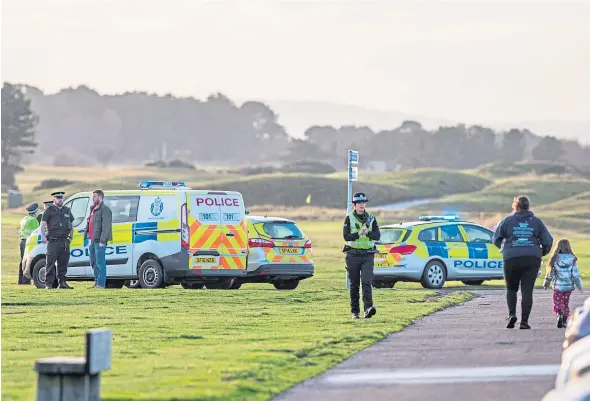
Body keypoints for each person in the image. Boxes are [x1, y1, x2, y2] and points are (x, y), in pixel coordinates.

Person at [493, 195, 553, 329]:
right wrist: (540, 253)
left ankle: (512, 314)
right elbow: (548, 241)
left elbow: (496, 238)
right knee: (527, 291)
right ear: (528, 206)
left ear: (516, 206)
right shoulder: (536, 222)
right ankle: (524, 322)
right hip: (532, 259)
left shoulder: (507, 221)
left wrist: (505, 248)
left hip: (511, 258)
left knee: (511, 289)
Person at [343, 192, 381, 319]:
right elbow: (346, 236)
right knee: (354, 284)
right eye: (359, 203)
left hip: (367, 255)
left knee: (366, 282)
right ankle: (355, 312)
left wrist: (368, 232)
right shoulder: (349, 218)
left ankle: (368, 308)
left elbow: (377, 236)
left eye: (364, 202)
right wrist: (358, 234)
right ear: (354, 205)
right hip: (352, 255)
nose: (362, 204)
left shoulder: (372, 218)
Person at [543, 238, 583, 328]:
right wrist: (579, 286)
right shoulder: (572, 260)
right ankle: (564, 321)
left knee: (558, 302)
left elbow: (550, 274)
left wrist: (546, 283)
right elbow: (576, 275)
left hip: (558, 287)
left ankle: (559, 314)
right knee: (565, 303)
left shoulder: (555, 259)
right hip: (568, 287)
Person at [40, 191, 74, 289]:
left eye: (61, 198)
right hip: (53, 241)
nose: (60, 200)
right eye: (58, 198)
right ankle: (48, 284)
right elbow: (42, 224)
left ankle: (62, 283)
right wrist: (42, 236)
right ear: (54, 199)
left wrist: (70, 237)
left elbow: (71, 225)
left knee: (63, 263)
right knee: (50, 263)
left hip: (64, 241)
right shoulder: (49, 210)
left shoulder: (67, 210)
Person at [85, 189, 113, 289]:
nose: (93, 198)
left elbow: (106, 227)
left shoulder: (105, 209)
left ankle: (101, 284)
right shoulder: (92, 209)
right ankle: (96, 282)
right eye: (93, 197)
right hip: (92, 240)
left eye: (95, 196)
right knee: (93, 262)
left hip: (99, 241)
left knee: (100, 263)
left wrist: (102, 241)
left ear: (101, 197)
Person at [18, 203, 40, 285]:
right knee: (28, 261)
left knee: (22, 261)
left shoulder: (24, 219)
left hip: (22, 241)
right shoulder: (33, 220)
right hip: (29, 242)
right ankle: (26, 280)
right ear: (35, 212)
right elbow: (37, 231)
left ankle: (21, 281)